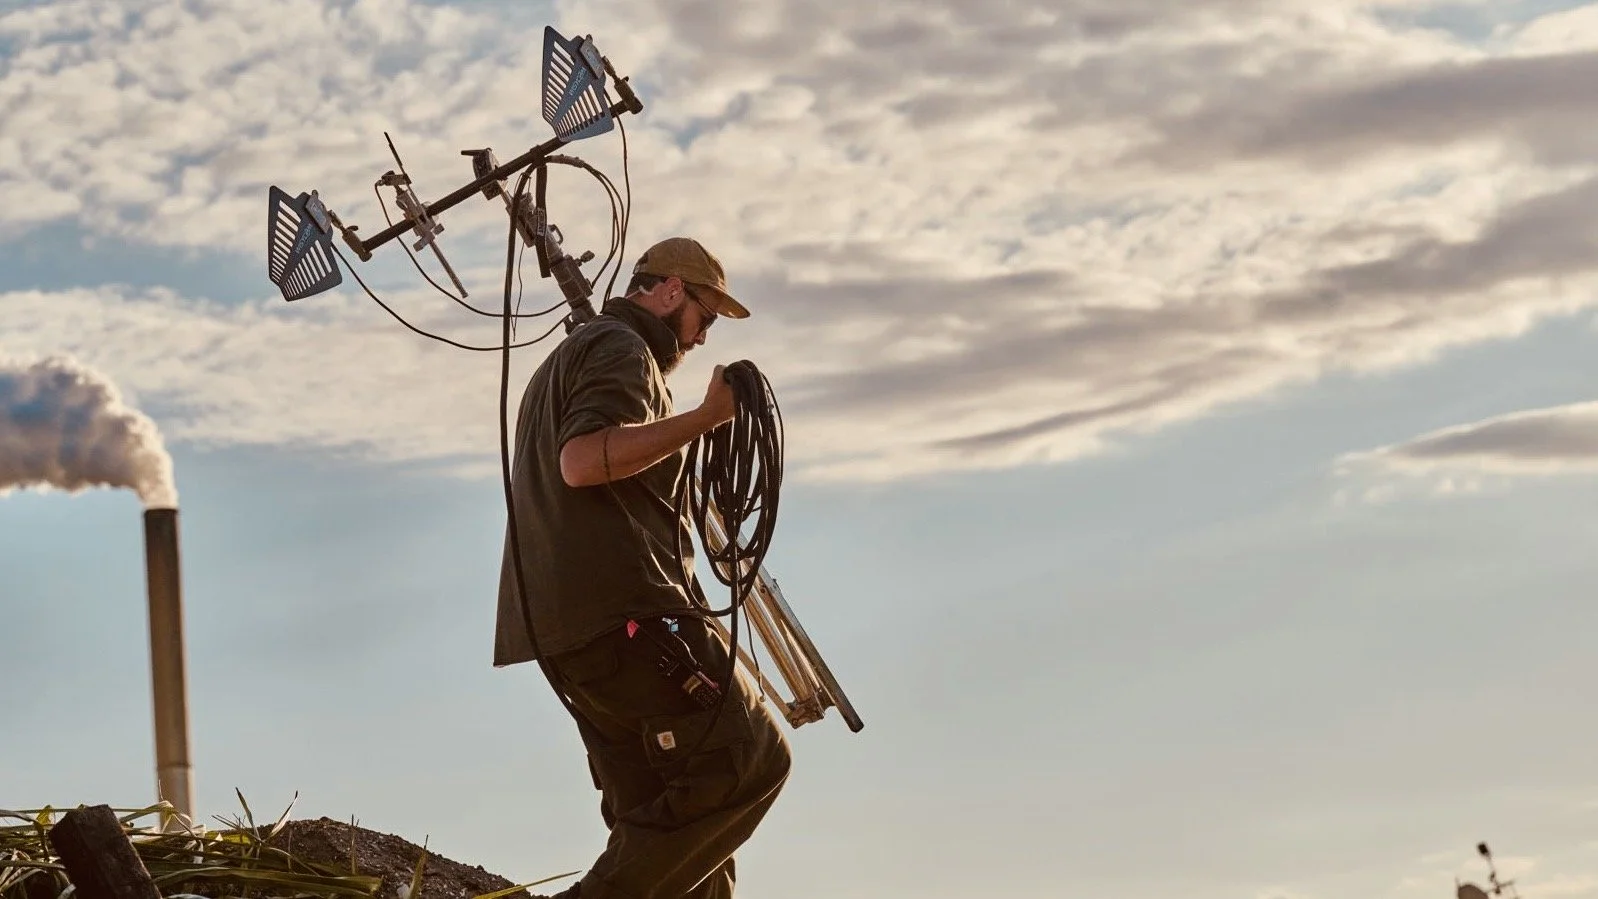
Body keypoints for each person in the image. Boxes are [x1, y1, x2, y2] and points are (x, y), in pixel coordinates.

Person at [494, 237, 793, 899]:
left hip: (569, 634)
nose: (705, 336)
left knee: (674, 824)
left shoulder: (582, 355)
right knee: (748, 756)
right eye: (705, 317)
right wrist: (707, 417)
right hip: (623, 616)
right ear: (670, 291)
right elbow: (580, 461)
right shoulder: (619, 350)